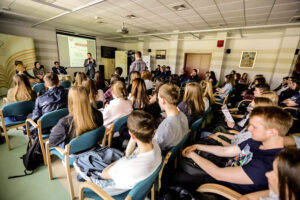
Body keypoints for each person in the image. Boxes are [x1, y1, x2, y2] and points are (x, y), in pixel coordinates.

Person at [172, 106, 293, 195]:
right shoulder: (257, 141)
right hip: (223, 168)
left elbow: (218, 174)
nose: (249, 129)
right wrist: (198, 147)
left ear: (272, 132)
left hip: (224, 189)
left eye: (254, 126)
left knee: (175, 177)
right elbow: (226, 151)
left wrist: (193, 155)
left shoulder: (267, 164)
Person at [74, 110, 162, 196]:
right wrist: (133, 137)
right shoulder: (156, 145)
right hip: (139, 179)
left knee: (79, 165)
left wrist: (121, 160)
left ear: (132, 135)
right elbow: (128, 154)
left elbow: (105, 174)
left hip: (114, 190)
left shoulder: (126, 165)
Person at [154, 83, 189, 152]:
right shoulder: (183, 116)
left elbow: (155, 150)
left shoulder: (165, 126)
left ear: (163, 101)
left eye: (158, 99)